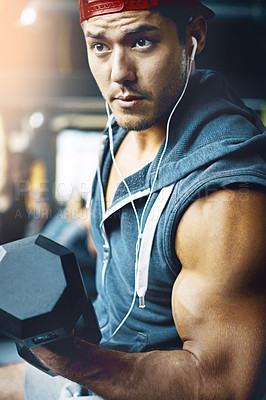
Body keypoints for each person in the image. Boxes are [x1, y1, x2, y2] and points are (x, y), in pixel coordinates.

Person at [26, 1, 266, 399]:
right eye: (99, 46)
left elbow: (218, 385)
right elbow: (109, 245)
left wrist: (53, 349)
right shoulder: (124, 129)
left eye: (141, 42)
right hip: (99, 357)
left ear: (194, 36)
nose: (119, 74)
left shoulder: (224, 197)